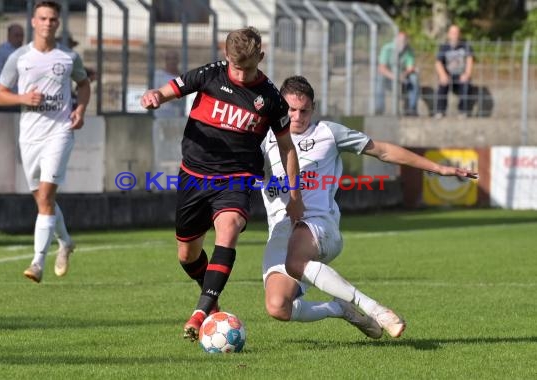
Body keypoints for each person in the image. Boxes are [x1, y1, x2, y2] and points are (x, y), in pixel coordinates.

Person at [261, 76, 478, 339]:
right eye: (290, 110)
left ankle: (375, 309)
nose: (297, 116)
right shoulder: (263, 138)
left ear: (313, 108)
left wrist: (439, 167)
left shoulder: (327, 133)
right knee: (278, 307)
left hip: (318, 225)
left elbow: (384, 151)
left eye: (303, 110)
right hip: (280, 231)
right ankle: (337, 308)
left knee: (296, 260)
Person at [140, 26, 305, 341]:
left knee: (228, 230)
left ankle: (200, 313)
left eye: (248, 68)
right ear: (226, 55)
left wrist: (294, 194)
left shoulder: (270, 98)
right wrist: (155, 97)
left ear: (262, 56)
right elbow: (169, 89)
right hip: (193, 175)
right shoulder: (210, 75)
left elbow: (287, 149)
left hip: (237, 177)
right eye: (236, 67)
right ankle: (213, 305)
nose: (241, 75)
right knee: (187, 255)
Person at [0, 1, 91, 283]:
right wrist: (23, 98)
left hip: (59, 132)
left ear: (58, 23)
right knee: (43, 201)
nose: (48, 23)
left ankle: (37, 262)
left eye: (52, 19)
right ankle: (66, 242)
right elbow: (0, 95)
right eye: (43, 18)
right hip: (30, 136)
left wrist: (81, 109)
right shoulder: (19, 58)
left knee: (47, 197)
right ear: (33, 22)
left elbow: (83, 85)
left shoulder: (68, 57)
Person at [434, 25, 474, 118]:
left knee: (466, 85)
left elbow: (470, 60)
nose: (454, 35)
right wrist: (442, 75)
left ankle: (463, 111)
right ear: (448, 35)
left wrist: (467, 74)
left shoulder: (466, 46)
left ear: (460, 34)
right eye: (452, 33)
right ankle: (440, 111)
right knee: (442, 85)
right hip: (448, 74)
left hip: (461, 74)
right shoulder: (443, 47)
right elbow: (438, 62)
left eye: (456, 33)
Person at [376, 31, 419, 116]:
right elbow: (381, 68)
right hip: (389, 77)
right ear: (395, 40)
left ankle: (412, 109)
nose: (402, 42)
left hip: (402, 77)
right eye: (400, 40)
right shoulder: (387, 48)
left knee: (414, 78)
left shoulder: (408, 50)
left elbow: (410, 67)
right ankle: (379, 109)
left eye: (404, 40)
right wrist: (394, 77)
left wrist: (404, 74)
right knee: (379, 78)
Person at [0, 23, 24, 111]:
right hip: (5, 96)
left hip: (16, 97)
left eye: (21, 36)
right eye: (16, 35)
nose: (20, 39)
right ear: (9, 36)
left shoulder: (22, 51)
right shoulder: (4, 51)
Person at [153, 49, 184, 118]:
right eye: (169, 59)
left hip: (177, 116)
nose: (172, 61)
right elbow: (155, 93)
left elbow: (182, 95)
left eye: (174, 58)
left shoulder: (180, 78)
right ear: (166, 61)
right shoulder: (159, 75)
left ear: (178, 60)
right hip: (160, 115)